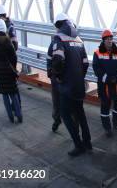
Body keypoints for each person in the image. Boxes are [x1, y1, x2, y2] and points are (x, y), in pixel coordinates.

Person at [49, 12, 92, 157]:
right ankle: (88, 143)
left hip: (67, 86)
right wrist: (79, 77)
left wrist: (59, 77)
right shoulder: (79, 40)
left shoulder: (58, 39)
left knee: (65, 114)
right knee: (80, 113)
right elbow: (86, 63)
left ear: (58, 25)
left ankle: (78, 145)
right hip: (79, 84)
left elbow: (58, 60)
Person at [93, 29, 117, 137]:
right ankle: (107, 128)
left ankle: (116, 124)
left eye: (111, 38)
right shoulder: (97, 53)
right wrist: (106, 78)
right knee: (105, 106)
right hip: (104, 85)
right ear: (103, 40)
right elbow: (96, 68)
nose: (109, 41)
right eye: (107, 39)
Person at [0, 18, 22, 123]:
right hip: (9, 70)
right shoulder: (8, 42)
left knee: (5, 94)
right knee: (13, 92)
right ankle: (19, 115)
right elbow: (14, 57)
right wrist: (14, 68)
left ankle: (10, 117)